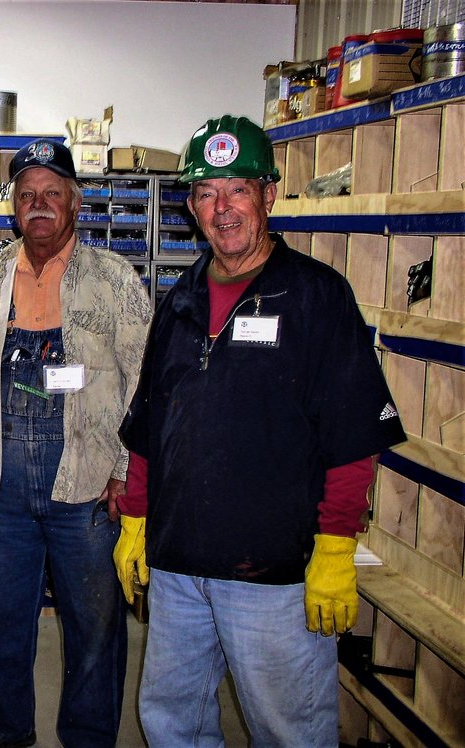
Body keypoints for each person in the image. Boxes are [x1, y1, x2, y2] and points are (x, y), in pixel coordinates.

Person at [114, 114, 406, 746]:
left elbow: (354, 438)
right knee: (171, 722)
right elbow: (148, 428)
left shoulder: (317, 297)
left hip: (272, 574)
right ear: (190, 206)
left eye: (237, 189)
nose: (222, 210)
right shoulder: (179, 300)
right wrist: (135, 520)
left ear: (268, 194)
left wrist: (334, 548)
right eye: (205, 193)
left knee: (289, 732)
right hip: (178, 566)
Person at [0, 139, 153, 748]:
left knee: (96, 628)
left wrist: (130, 471)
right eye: (28, 194)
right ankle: (4, 734)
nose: (40, 204)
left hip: (88, 487)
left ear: (75, 202)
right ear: (13, 209)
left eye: (53, 193)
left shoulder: (115, 283)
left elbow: (146, 383)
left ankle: (87, 739)